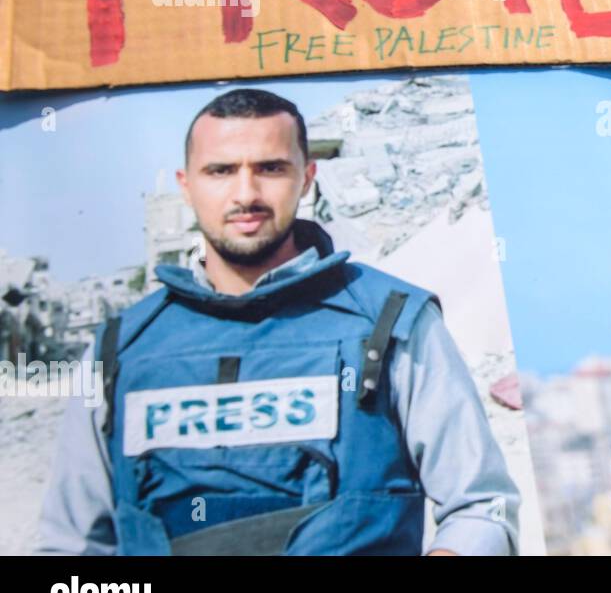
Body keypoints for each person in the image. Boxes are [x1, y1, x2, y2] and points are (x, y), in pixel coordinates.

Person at [37, 89, 519, 556]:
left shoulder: (393, 323)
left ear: (306, 178)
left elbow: (482, 506)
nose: (245, 194)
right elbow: (71, 545)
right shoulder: (120, 349)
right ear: (187, 185)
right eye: (221, 171)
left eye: (270, 168)